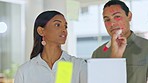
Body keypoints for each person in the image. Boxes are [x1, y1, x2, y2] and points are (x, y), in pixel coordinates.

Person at [14, 10, 87, 83]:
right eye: (57, 25)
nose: (64, 30)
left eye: (65, 26)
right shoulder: (24, 71)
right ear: (41, 31)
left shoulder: (79, 66)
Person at [92, 0, 148, 83]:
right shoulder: (98, 54)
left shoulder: (146, 47)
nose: (112, 23)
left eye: (117, 16)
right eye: (107, 20)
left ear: (129, 16)